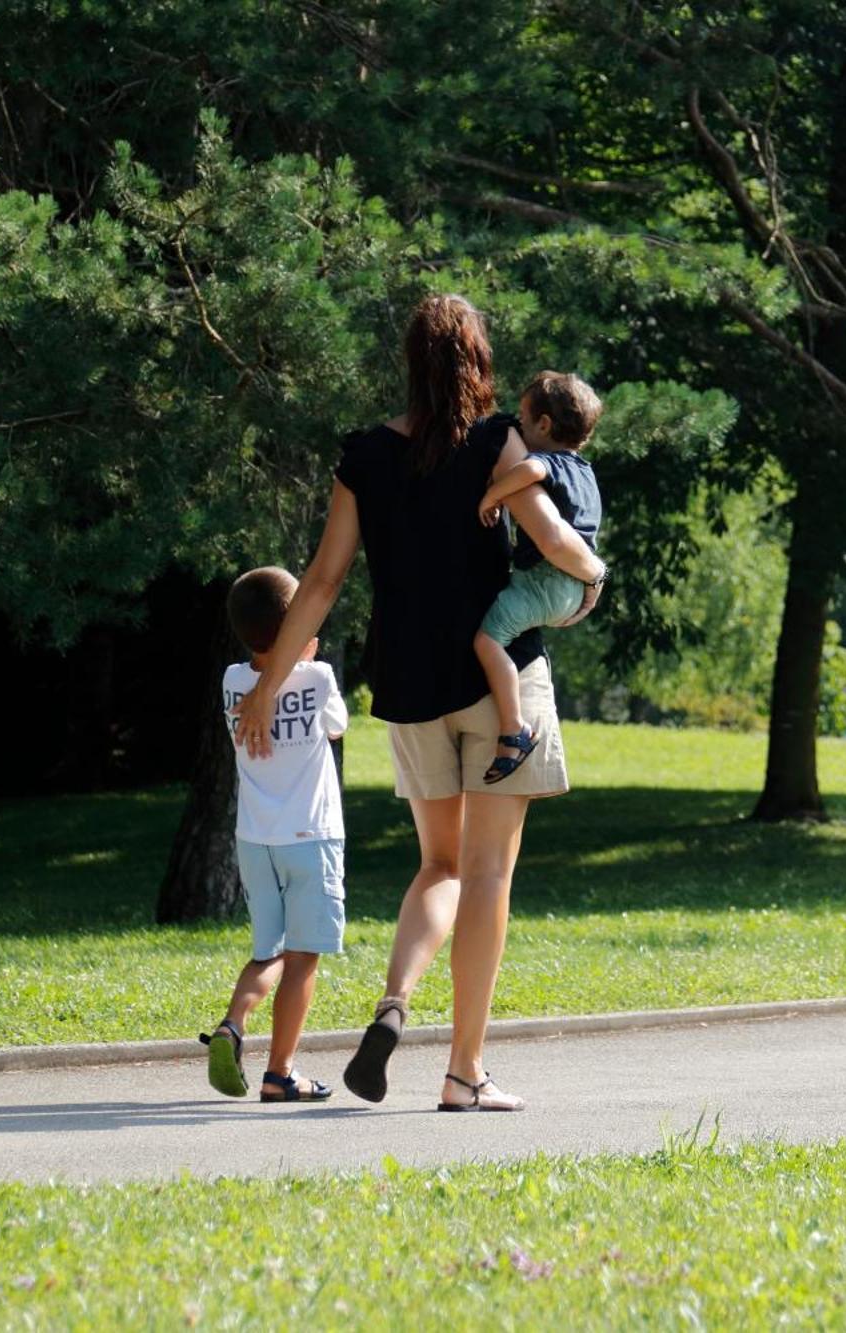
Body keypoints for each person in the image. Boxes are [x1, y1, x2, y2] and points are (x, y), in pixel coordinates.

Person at [230, 293, 604, 1113]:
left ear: (408, 361)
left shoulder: (363, 455)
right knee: (488, 875)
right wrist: (592, 575)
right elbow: (550, 538)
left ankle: (396, 998)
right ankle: (464, 1072)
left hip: (410, 688)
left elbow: (322, 582)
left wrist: (265, 685)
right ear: (478, 360)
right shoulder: (499, 440)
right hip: (499, 676)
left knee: (438, 865)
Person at [201, 565, 348, 1103]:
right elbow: (337, 726)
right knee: (304, 955)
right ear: (298, 627)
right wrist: (304, 659)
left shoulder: (232, 682)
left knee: (270, 951)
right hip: (311, 837)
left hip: (254, 839)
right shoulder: (319, 676)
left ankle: (233, 1024)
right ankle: (280, 1072)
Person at [473, 371, 604, 784]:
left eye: (524, 421)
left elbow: (527, 470)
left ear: (544, 425)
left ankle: (514, 729)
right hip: (570, 584)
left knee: (488, 640)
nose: (519, 428)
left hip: (547, 580)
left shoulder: (546, 462)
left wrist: (493, 495)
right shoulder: (584, 471)